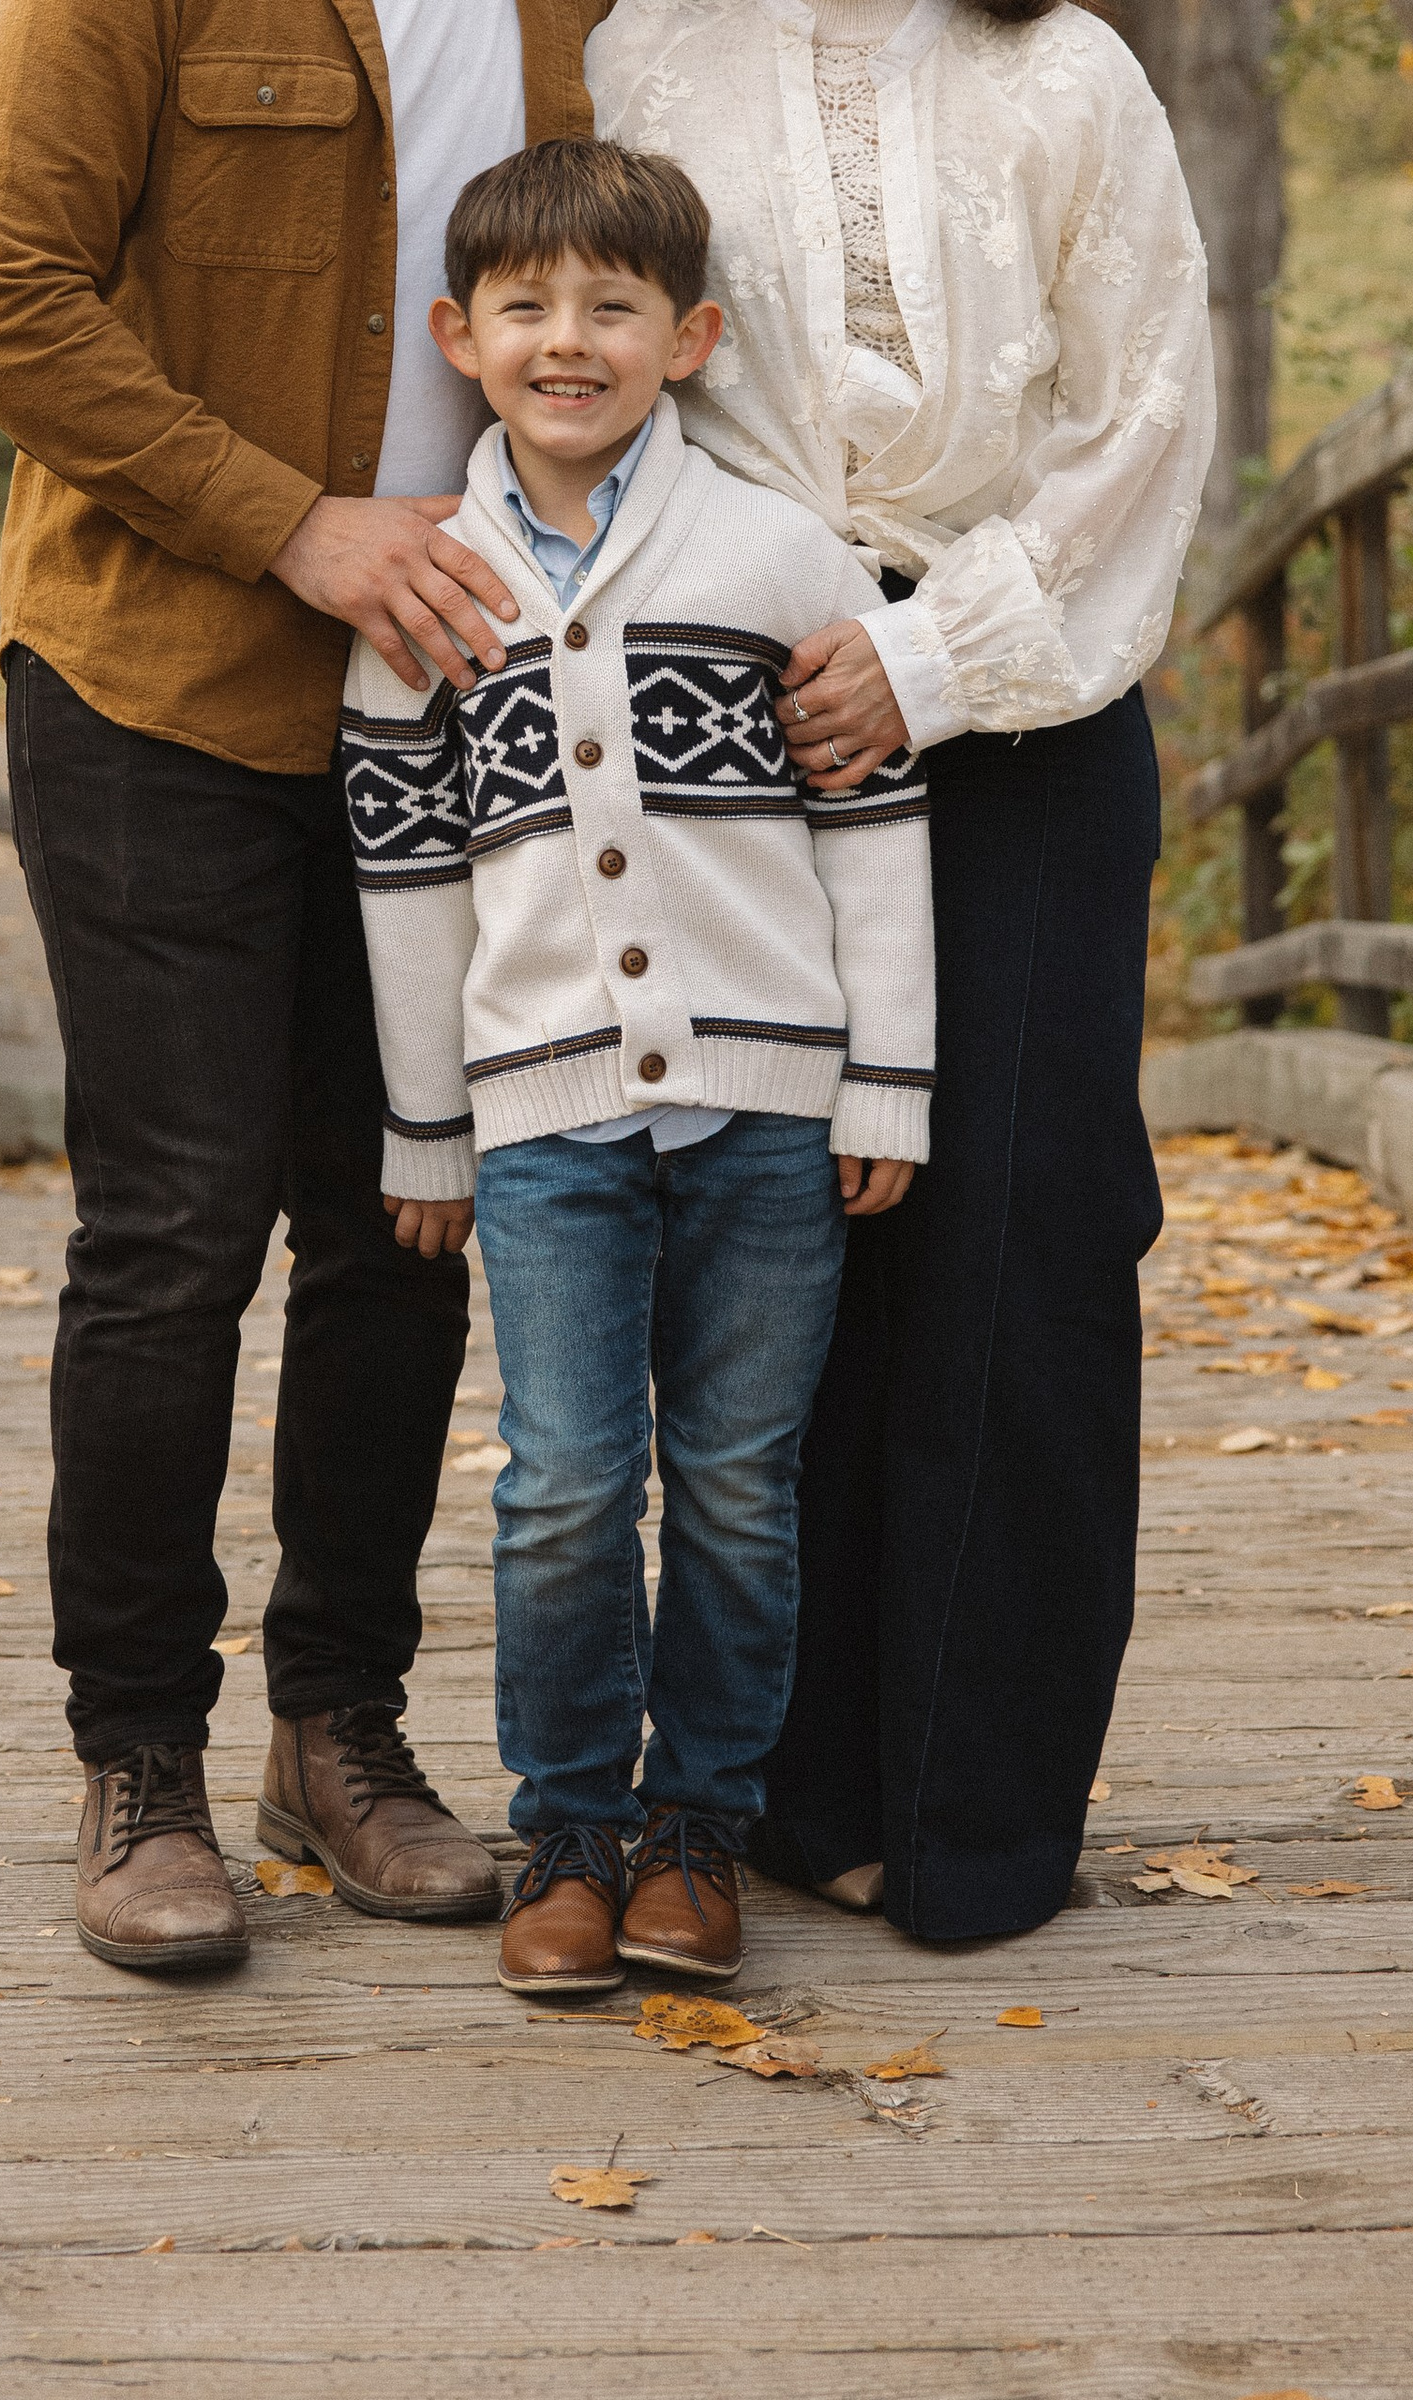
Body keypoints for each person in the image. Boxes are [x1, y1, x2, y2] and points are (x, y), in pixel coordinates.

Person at [0, 0, 621, 1975]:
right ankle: (137, 1765)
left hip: (454, 712)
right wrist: (297, 519)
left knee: (404, 1221)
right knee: (176, 1230)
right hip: (168, 681)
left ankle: (341, 1736)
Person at [585, 0, 1214, 1947]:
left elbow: (1142, 429)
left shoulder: (1068, 78)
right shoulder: (636, 54)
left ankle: (972, 1816)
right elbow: (580, 366)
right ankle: (772, 1786)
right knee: (778, 1258)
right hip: (725, 729)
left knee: (1023, 1249)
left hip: (1019, 718)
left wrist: (929, 662)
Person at [344, 137, 935, 1996]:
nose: (568, 341)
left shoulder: (774, 554)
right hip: (545, 1121)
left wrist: (889, 1080)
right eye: (526, 308)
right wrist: (427, 1130)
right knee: (567, 1481)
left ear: (692, 338)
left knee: (746, 1481)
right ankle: (571, 1829)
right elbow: (406, 876)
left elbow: (876, 817)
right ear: (461, 335)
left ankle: (704, 1827)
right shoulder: (429, 592)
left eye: (614, 308)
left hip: (770, 1108)